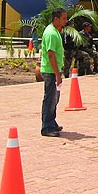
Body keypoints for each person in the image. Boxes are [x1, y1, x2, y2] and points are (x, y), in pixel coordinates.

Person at [40, 8, 67, 137]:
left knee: (54, 98)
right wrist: (57, 74)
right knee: (50, 99)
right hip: (50, 71)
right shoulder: (51, 33)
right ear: (56, 19)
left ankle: (52, 122)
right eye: (63, 18)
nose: (65, 21)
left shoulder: (55, 31)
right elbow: (51, 55)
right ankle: (47, 127)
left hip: (54, 70)